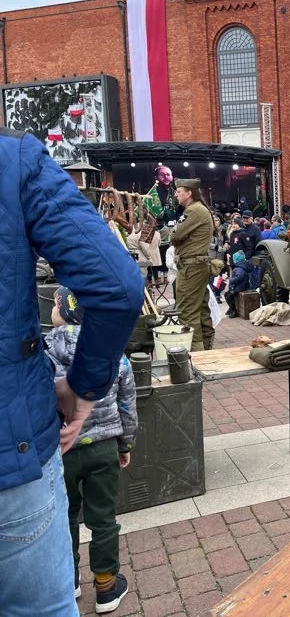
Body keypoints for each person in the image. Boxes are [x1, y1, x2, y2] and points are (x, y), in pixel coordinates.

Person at [0, 128, 144, 614]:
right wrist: (83, 391)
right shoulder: (14, 160)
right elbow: (118, 286)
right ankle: (103, 581)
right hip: (15, 454)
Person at [45, 287, 137, 613]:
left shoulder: (44, 352)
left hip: (62, 449)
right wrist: (125, 443)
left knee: (64, 518)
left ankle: (67, 582)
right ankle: (107, 586)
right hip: (104, 448)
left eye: (56, 303)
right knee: (103, 519)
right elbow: (127, 404)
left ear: (67, 310)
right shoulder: (113, 352)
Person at [170, 178, 215, 351]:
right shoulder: (199, 210)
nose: (176, 194)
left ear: (189, 193)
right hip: (196, 266)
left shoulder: (194, 211)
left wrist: (175, 233)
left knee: (187, 311)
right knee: (201, 309)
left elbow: (174, 236)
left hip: (191, 267)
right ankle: (206, 350)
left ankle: (195, 356)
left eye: (179, 191)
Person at [224, 250, 253, 318]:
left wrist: (231, 280)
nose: (233, 261)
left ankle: (234, 311)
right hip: (240, 286)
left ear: (237, 260)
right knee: (227, 294)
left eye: (234, 259)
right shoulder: (241, 266)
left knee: (229, 297)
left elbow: (239, 277)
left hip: (239, 287)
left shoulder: (239, 268)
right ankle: (231, 308)